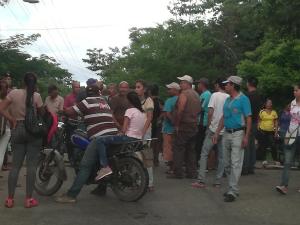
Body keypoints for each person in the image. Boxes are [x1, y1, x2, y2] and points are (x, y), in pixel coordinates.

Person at [55, 84, 119, 203]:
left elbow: (70, 111)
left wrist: (62, 111)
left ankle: (71, 195)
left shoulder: (87, 101)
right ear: (98, 92)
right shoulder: (103, 101)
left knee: (85, 165)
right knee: (100, 161)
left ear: (87, 94)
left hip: (100, 136)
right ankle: (101, 188)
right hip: (113, 134)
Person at [0, 72, 44, 208]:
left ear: (23, 82)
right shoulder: (36, 96)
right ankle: (29, 199)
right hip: (33, 131)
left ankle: (9, 199)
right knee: (31, 167)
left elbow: (1, 108)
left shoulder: (13, 93)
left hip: (17, 128)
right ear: (34, 83)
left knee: (15, 167)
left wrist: (11, 119)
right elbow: (42, 114)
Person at [212, 76, 252, 202]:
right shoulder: (228, 99)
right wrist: (217, 132)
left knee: (235, 162)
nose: (225, 86)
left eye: (227, 84)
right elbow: (224, 117)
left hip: (238, 134)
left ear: (233, 85)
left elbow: (248, 118)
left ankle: (233, 190)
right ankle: (232, 187)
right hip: (227, 133)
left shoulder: (244, 99)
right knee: (227, 163)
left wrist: (246, 136)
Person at [94, 91, 146, 181]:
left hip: (128, 138)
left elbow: (124, 129)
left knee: (99, 140)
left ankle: (105, 167)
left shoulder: (129, 111)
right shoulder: (141, 113)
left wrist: (118, 133)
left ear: (129, 101)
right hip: (137, 140)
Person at [192, 78, 229, 188]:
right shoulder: (229, 97)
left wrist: (208, 127)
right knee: (222, 157)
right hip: (224, 130)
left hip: (213, 129)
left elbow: (210, 112)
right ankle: (218, 181)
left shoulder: (215, 95)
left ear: (218, 85)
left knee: (204, 153)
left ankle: (201, 180)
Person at [168, 75, 201, 179]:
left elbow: (181, 109)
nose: (180, 84)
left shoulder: (184, 94)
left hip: (184, 125)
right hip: (194, 124)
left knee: (178, 148)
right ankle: (192, 172)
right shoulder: (196, 94)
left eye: (182, 82)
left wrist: (177, 124)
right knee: (191, 150)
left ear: (187, 83)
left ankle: (178, 172)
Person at [275, 84, 300, 195]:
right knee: (287, 161)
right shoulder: (292, 104)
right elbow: (288, 120)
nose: (294, 92)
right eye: (294, 90)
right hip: (291, 135)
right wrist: (286, 135)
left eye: (296, 90)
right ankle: (284, 185)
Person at [135, 80, 155, 190]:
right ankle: (140, 181)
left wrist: (143, 131)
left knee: (146, 156)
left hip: (145, 131)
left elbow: (149, 117)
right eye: (136, 87)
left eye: (138, 87)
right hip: (136, 132)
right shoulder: (135, 101)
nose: (136, 89)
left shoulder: (148, 101)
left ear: (144, 89)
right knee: (137, 157)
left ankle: (150, 183)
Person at [242, 77, 263, 175]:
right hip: (255, 121)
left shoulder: (247, 96)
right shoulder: (259, 95)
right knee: (251, 145)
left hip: (248, 121)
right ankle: (251, 167)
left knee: (246, 144)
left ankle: (245, 167)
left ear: (249, 83)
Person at [162, 82, 180, 173]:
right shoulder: (182, 99)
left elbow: (167, 113)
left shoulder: (169, 100)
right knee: (177, 148)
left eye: (170, 89)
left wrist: (173, 122)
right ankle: (177, 167)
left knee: (169, 148)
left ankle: (172, 168)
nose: (168, 91)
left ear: (175, 90)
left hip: (169, 128)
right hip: (179, 129)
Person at [257, 99, 279, 166]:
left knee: (273, 145)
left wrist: (276, 132)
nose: (270, 104)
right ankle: (264, 160)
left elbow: (276, 122)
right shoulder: (262, 111)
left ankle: (275, 160)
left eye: (271, 103)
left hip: (271, 131)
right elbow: (259, 121)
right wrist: (258, 129)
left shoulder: (274, 112)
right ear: (265, 104)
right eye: (269, 103)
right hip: (262, 130)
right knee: (263, 145)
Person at [195, 78, 211, 163]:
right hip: (201, 121)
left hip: (202, 122)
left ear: (202, 84)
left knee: (199, 142)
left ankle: (199, 162)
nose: (197, 86)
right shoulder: (204, 94)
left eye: (198, 84)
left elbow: (200, 107)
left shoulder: (206, 94)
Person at [0, 80, 11, 177]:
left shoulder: (8, 100)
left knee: (2, 152)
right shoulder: (6, 101)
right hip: (4, 129)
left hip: (5, 129)